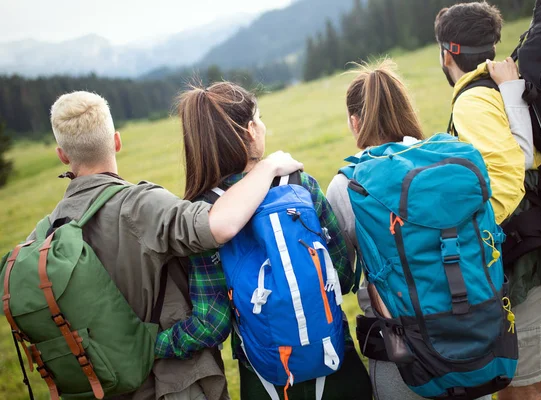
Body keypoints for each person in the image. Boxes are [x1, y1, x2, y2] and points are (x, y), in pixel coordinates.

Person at [35, 91, 303, 400]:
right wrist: (268, 168)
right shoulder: (143, 206)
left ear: (62, 155)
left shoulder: (44, 236)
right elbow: (221, 225)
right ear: (117, 141)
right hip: (172, 385)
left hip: (99, 387)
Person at [435, 3, 541, 399]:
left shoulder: (472, 101)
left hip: (532, 268)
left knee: (516, 388)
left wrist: (474, 236)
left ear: (446, 54)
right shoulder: (511, 81)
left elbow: (512, 169)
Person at [176, 81, 373, 400]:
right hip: (337, 366)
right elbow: (343, 276)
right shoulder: (300, 186)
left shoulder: (203, 216)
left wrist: (152, 343)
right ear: (251, 129)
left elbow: (212, 323)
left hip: (267, 381)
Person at [327, 59, 497, 400]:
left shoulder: (348, 185)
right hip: (476, 334)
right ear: (407, 110)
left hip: (402, 353)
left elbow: (339, 275)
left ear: (354, 121)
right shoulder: (451, 160)